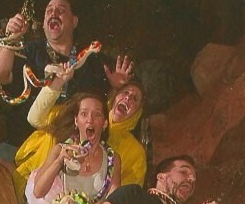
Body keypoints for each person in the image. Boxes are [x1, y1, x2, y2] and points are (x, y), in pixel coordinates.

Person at [0, 0, 133, 154]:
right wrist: (12, 37)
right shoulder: (30, 50)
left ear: (74, 21)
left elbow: (101, 111)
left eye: (61, 10)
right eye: (48, 11)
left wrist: (115, 87)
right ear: (44, 24)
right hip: (20, 147)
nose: (53, 13)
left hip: (70, 152)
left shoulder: (92, 62)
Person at [15, 80, 147, 190]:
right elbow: (35, 119)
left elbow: (124, 194)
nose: (128, 98)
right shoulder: (72, 114)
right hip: (29, 183)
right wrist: (56, 83)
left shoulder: (133, 152)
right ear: (76, 120)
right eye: (125, 92)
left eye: (134, 98)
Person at [27, 93, 121, 204]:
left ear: (105, 123)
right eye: (84, 114)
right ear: (76, 121)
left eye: (96, 115)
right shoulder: (59, 150)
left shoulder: (113, 159)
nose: (90, 120)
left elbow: (113, 200)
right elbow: (38, 192)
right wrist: (59, 161)